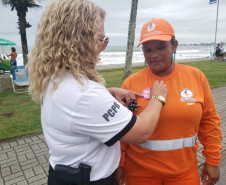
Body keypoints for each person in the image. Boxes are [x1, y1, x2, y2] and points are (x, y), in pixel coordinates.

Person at [28, 1, 168, 185]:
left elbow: (73, 109)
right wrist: (158, 97)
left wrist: (106, 93)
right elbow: (141, 132)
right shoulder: (84, 94)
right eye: (100, 39)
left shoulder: (55, 78)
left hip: (63, 175)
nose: (101, 48)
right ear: (81, 41)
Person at [116, 18, 222, 185]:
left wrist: (213, 159)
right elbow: (122, 129)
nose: (154, 55)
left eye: (161, 47)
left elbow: (209, 121)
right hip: (139, 174)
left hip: (184, 173)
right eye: (147, 50)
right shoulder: (130, 83)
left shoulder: (196, 77)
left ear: (174, 45)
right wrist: (119, 163)